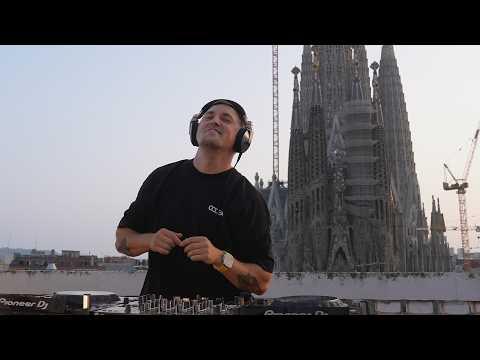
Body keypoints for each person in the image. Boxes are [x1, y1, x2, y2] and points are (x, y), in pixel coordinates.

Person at [115, 99, 274, 302]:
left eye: (225, 119)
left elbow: (261, 282)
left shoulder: (248, 199)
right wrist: (150, 240)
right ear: (195, 129)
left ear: (242, 139)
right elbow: (122, 240)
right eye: (208, 116)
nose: (214, 121)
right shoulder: (161, 178)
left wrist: (219, 258)